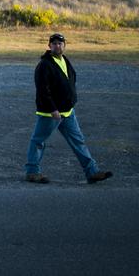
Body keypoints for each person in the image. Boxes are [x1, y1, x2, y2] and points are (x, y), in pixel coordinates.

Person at [25, 32, 113, 184]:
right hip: (51, 114)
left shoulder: (64, 60)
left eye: (60, 43)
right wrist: (53, 110)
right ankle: (32, 172)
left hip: (67, 112)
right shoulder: (44, 65)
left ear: (64, 45)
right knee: (38, 141)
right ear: (49, 46)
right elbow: (42, 90)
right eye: (54, 43)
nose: (57, 46)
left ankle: (92, 172)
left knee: (78, 141)